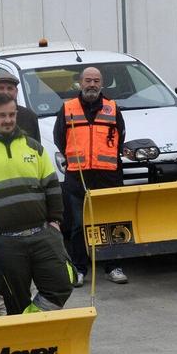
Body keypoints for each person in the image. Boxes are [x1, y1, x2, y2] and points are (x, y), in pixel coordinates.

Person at [0, 93, 72, 314]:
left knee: (61, 285)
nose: (8, 120)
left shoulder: (34, 148)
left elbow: (51, 187)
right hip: (4, 243)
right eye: (2, 115)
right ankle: (26, 340)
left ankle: (31, 321)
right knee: (15, 300)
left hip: (42, 235)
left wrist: (55, 222)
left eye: (12, 114)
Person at [53, 65, 128, 285]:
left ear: (102, 84)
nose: (92, 84)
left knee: (111, 224)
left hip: (108, 177)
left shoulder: (113, 108)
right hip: (78, 177)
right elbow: (60, 138)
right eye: (88, 80)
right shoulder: (67, 108)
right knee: (77, 225)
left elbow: (120, 137)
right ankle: (79, 269)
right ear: (80, 83)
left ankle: (113, 266)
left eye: (96, 80)